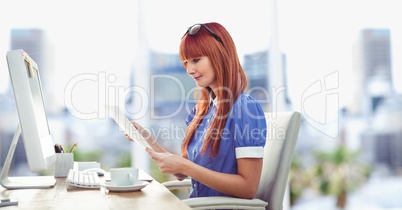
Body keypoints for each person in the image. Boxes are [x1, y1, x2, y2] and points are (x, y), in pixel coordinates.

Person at [128, 22, 267, 199]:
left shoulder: (245, 108)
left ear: (220, 54)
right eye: (186, 62)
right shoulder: (202, 112)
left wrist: (185, 167)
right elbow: (182, 172)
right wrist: (146, 139)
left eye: (196, 60)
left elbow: (248, 188)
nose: (190, 70)